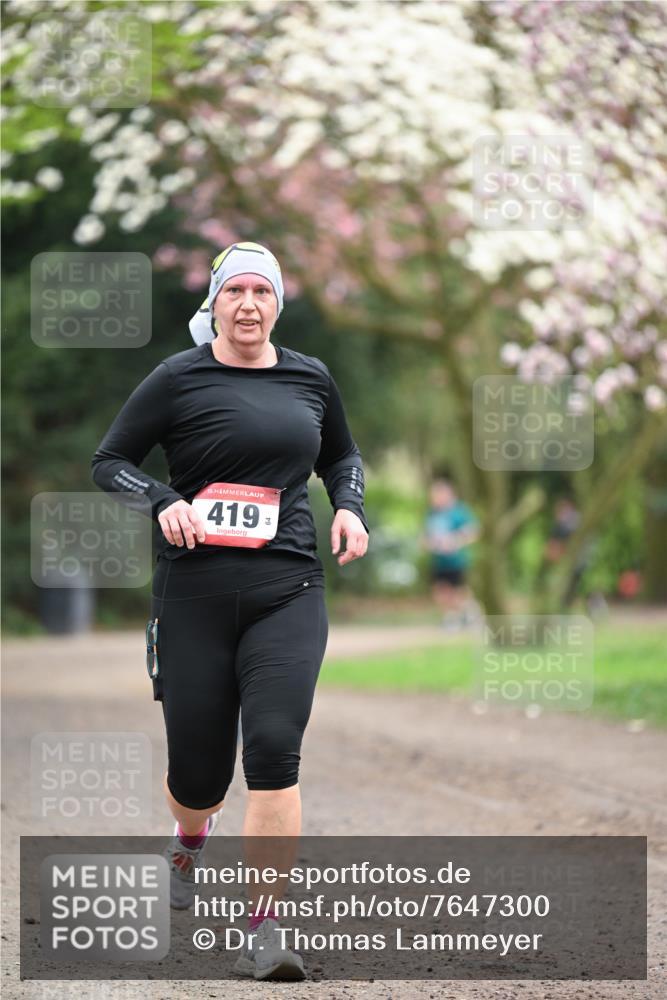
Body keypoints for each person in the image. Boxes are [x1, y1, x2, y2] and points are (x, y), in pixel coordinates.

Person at [91, 241, 369, 981]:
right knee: (198, 779)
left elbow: (342, 457)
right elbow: (108, 462)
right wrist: (162, 500)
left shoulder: (310, 377)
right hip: (193, 595)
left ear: (278, 303)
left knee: (274, 752)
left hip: (289, 588)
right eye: (235, 291)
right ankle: (189, 839)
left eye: (262, 292)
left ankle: (263, 930)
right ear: (213, 302)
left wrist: (349, 508)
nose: (248, 304)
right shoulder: (177, 378)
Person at [422, 477, 479, 629]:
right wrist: (429, 544)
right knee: (440, 592)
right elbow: (425, 536)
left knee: (459, 593)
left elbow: (473, 530)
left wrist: (456, 541)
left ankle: (471, 615)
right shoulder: (432, 514)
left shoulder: (458, 512)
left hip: (456, 560)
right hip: (439, 561)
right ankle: (451, 619)